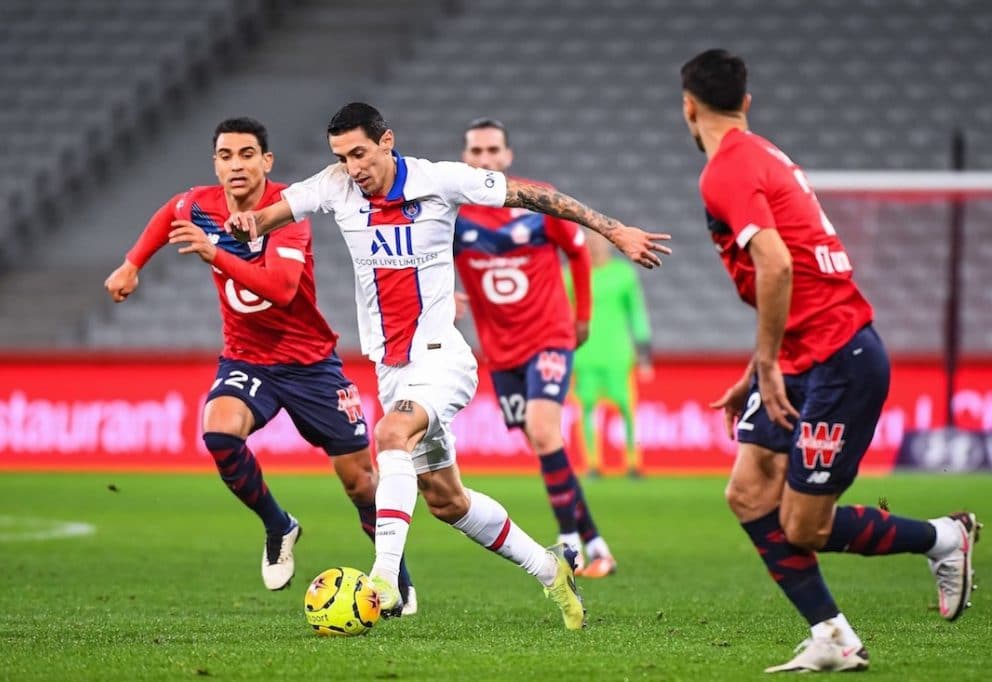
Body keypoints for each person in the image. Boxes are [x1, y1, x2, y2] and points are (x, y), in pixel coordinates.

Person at [224, 103, 672, 629]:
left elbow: (536, 197)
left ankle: (384, 580)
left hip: (441, 356)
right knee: (446, 500)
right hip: (390, 367)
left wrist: (613, 230)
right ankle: (550, 570)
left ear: (387, 141)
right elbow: (274, 212)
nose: (352, 167)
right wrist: (249, 221)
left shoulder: (441, 181)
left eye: (361, 153)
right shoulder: (335, 185)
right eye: (342, 157)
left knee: (391, 435)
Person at [681, 49, 979, 672]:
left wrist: (765, 364)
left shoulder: (725, 171)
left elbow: (778, 264)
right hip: (803, 355)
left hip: (841, 359)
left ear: (688, 106)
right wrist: (758, 367)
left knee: (804, 528)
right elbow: (794, 275)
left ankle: (946, 539)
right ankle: (835, 637)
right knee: (746, 492)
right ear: (746, 103)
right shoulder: (763, 154)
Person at [103, 117, 417, 612]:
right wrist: (131, 263)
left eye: (247, 154)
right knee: (219, 431)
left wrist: (214, 254)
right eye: (225, 156)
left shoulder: (286, 210)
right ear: (215, 163)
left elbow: (280, 288)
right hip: (248, 358)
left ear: (266, 161)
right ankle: (279, 525)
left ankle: (398, 580)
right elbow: (169, 214)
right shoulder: (198, 204)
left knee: (360, 481)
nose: (236, 165)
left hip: (312, 364)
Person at [452, 118, 616, 578]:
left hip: (549, 335)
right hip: (501, 353)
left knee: (544, 432)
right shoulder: (455, 213)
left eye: (492, 151)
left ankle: (569, 548)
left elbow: (580, 252)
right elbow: (427, 262)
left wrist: (582, 316)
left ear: (507, 157)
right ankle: (598, 542)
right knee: (547, 447)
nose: (485, 159)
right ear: (466, 158)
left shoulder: (536, 200)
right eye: (476, 151)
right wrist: (445, 292)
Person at [565, 230, 653, 479]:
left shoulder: (623, 275)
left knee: (626, 408)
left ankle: (633, 463)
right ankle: (592, 464)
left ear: (609, 246)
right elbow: (559, 310)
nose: (594, 248)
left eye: (599, 243)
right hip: (584, 355)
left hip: (618, 354)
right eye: (590, 243)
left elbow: (636, 313)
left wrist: (644, 349)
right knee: (587, 409)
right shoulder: (572, 274)